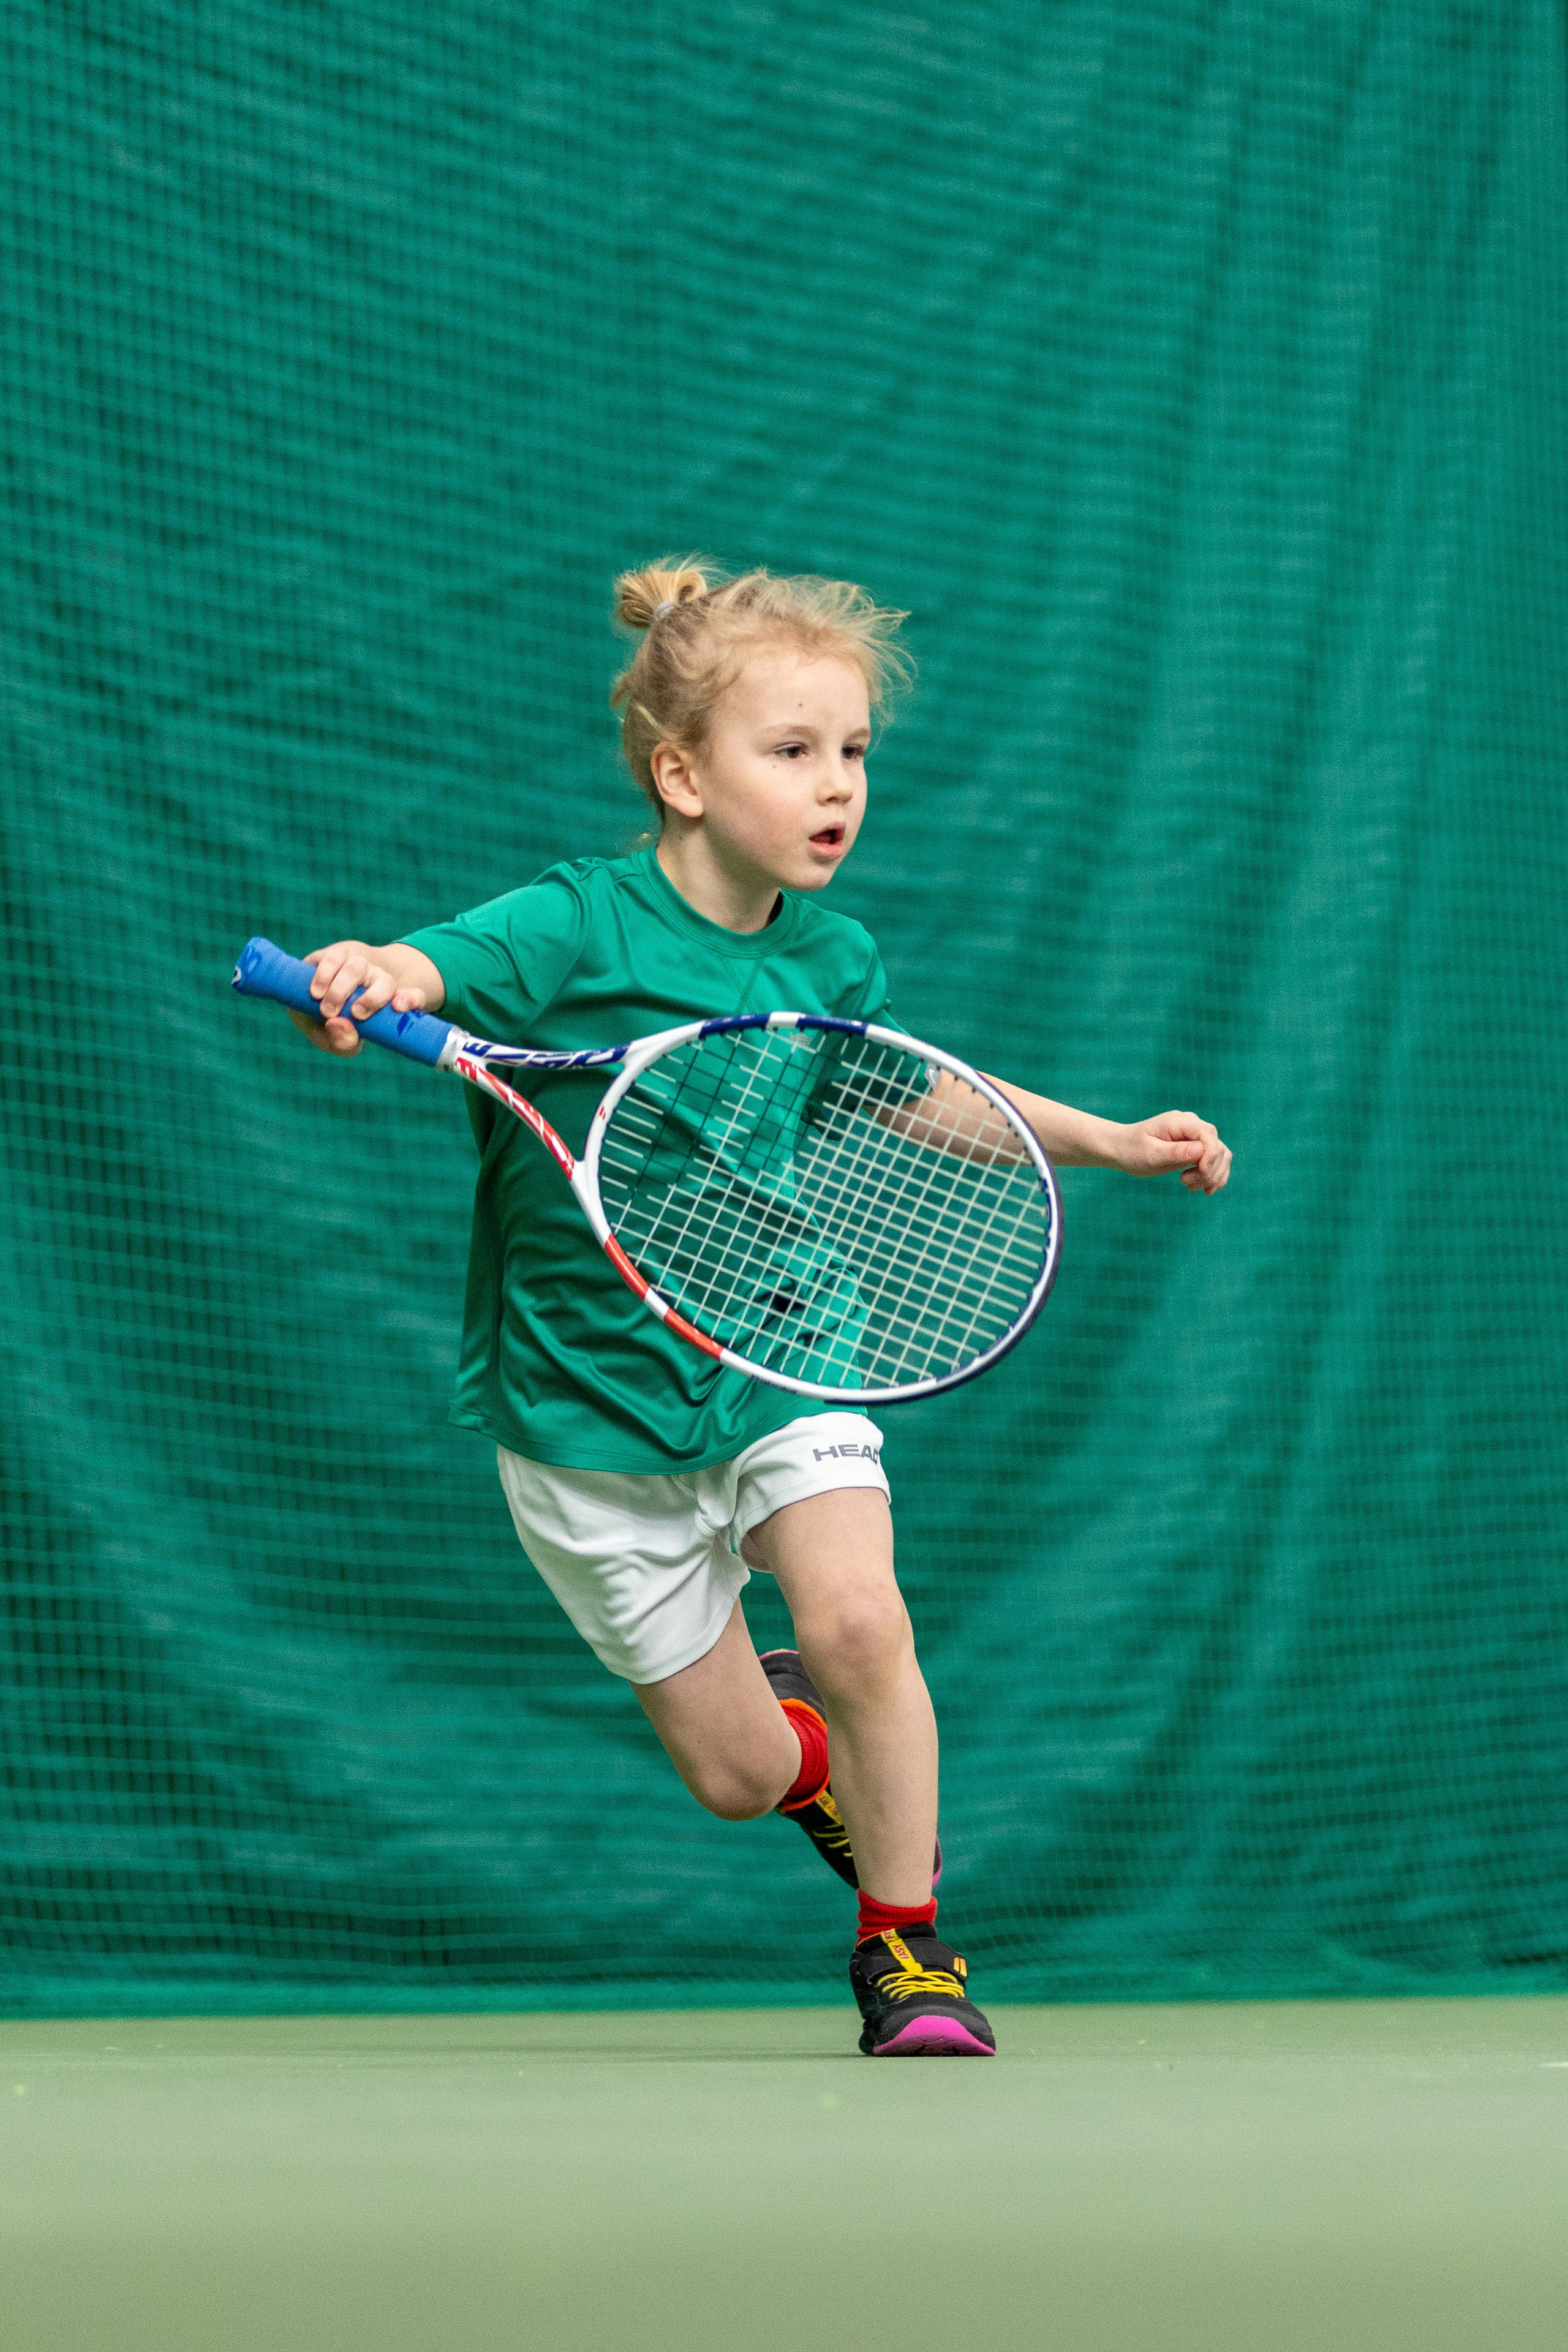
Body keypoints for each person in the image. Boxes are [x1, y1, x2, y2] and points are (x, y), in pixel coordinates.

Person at [290, 559, 1232, 2056]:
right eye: (791, 753)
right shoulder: (571, 923)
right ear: (679, 773)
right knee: (737, 1777)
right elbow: (427, 966)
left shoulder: (828, 954)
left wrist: (1108, 1138)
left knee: (862, 1620)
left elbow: (910, 1091)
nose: (835, 786)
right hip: (580, 1407)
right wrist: (367, 970)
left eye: (853, 753)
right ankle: (793, 1745)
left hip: (780, 1342)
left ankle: (908, 1951)